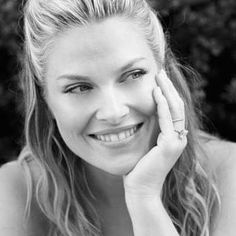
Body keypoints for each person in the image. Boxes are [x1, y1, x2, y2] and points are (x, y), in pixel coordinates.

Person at [0, 0, 236, 235]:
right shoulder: (15, 193)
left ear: (164, 71)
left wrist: (144, 196)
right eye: (79, 88)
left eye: (133, 74)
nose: (113, 112)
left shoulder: (228, 173)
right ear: (46, 99)